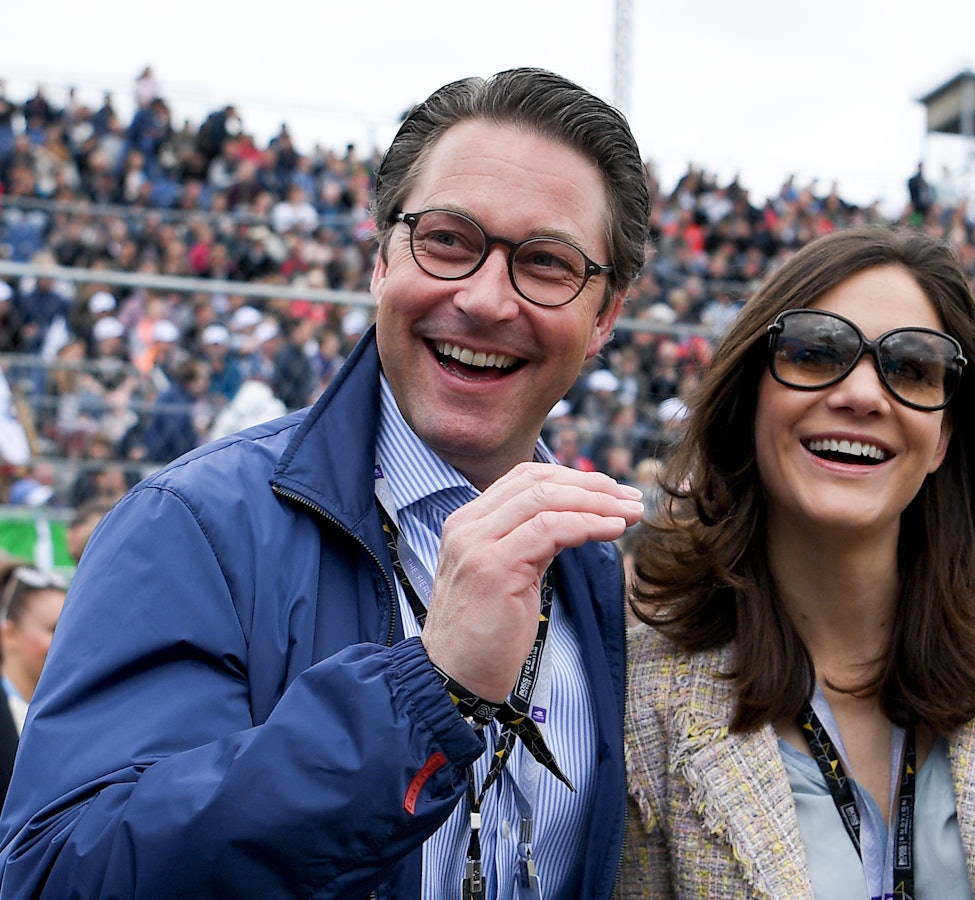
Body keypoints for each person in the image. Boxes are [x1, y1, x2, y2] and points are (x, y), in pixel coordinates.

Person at [0, 67, 650, 899]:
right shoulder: (193, 526)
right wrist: (426, 694)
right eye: (448, 240)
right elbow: (57, 875)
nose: (487, 299)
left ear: (604, 318)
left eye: (547, 262)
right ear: (382, 260)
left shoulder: (601, 573)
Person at [619, 227, 975, 898]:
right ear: (751, 397)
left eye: (913, 369)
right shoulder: (643, 690)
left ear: (945, 432)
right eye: (812, 353)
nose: (864, 394)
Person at [0, 561, 68, 800]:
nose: (65, 642)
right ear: (9, 634)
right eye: (54, 629)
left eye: (70, 630)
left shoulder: (69, 714)